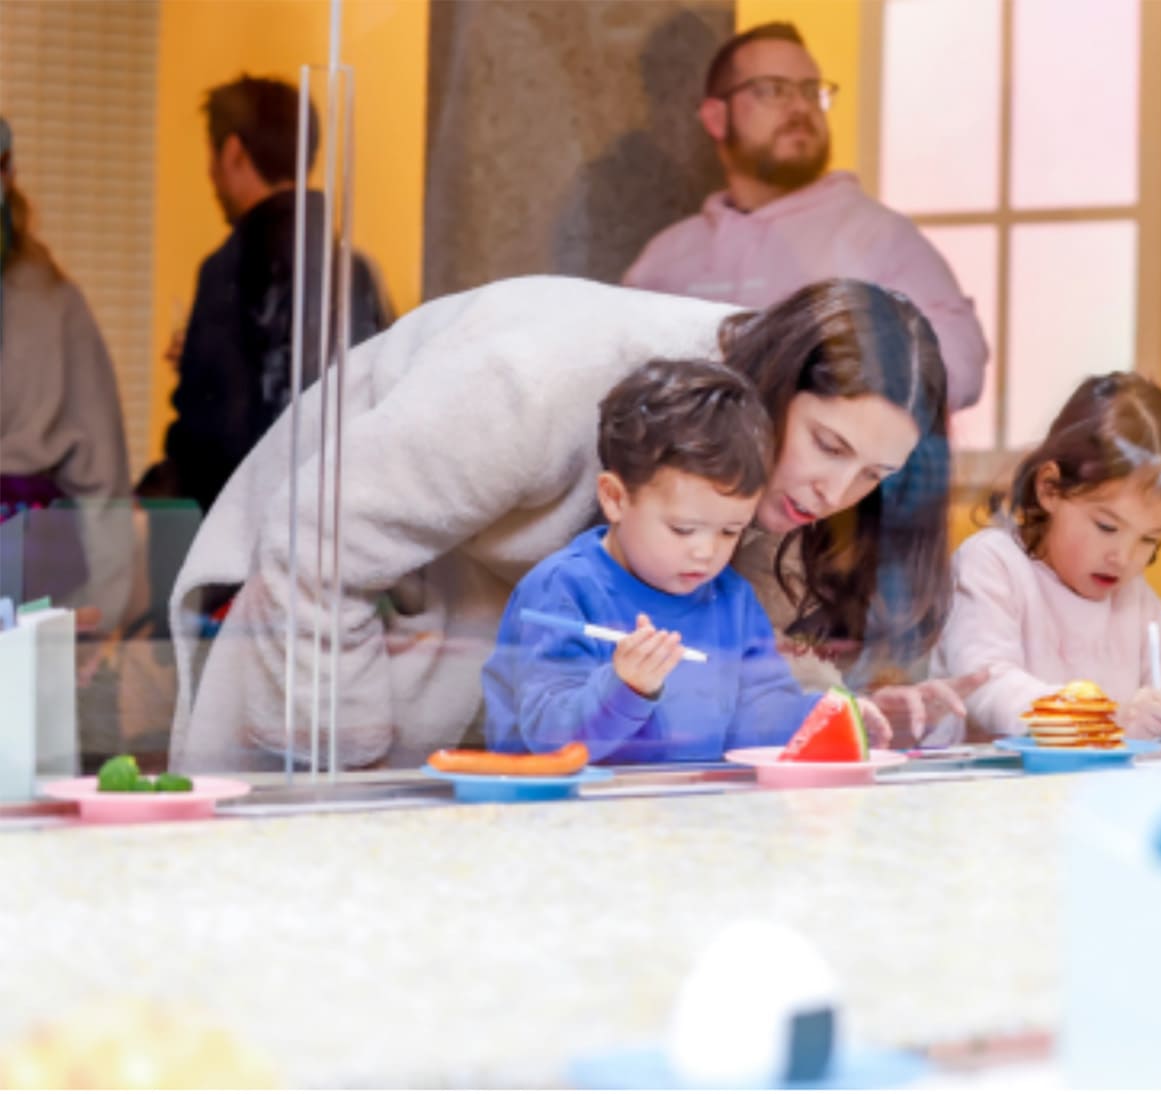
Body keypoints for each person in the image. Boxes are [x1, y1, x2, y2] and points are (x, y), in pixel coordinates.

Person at [167, 277, 971, 773]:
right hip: (327, 592)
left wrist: (838, 720)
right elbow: (314, 544)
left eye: (874, 475)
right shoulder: (537, 381)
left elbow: (743, 636)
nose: (836, 491)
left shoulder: (758, 447)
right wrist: (358, 770)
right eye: (828, 446)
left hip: (499, 646)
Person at [482, 359, 887, 762]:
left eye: (731, 531)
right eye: (683, 529)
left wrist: (821, 715)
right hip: (559, 816)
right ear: (616, 499)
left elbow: (758, 716)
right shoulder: (563, 589)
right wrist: (625, 688)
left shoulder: (731, 598)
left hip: (683, 813)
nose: (706, 552)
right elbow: (549, 736)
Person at [620, 22, 988, 412]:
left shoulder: (878, 236)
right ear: (716, 117)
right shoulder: (665, 257)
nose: (800, 107)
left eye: (811, 91)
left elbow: (959, 367)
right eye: (774, 90)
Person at [928, 373, 1161, 744]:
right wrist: (1105, 719)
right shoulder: (992, 564)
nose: (1123, 558)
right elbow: (986, 685)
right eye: (1107, 527)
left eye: (1149, 540)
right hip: (992, 792)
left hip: (1089, 794)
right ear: (1050, 489)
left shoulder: (1132, 596)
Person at [155, 74, 393, 516]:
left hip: (255, 538)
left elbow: (214, 437)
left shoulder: (231, 270)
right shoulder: (354, 268)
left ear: (233, 153)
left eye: (211, 157)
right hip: (348, 529)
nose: (210, 175)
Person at [0, 117, 135, 629]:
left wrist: (102, 609)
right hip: (35, 576)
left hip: (33, 581)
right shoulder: (56, 300)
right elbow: (102, 469)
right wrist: (104, 608)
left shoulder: (53, 301)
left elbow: (101, 469)